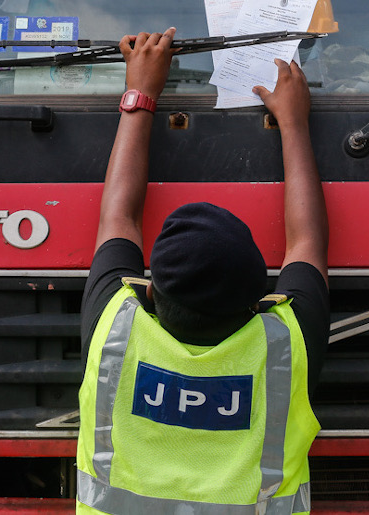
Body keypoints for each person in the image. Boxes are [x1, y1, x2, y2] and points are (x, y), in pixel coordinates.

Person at [77, 27, 329, 514]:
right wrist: (294, 124)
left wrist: (141, 92)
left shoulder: (115, 334)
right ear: (258, 305)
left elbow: (118, 217)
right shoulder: (284, 349)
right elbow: (308, 242)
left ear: (148, 294)